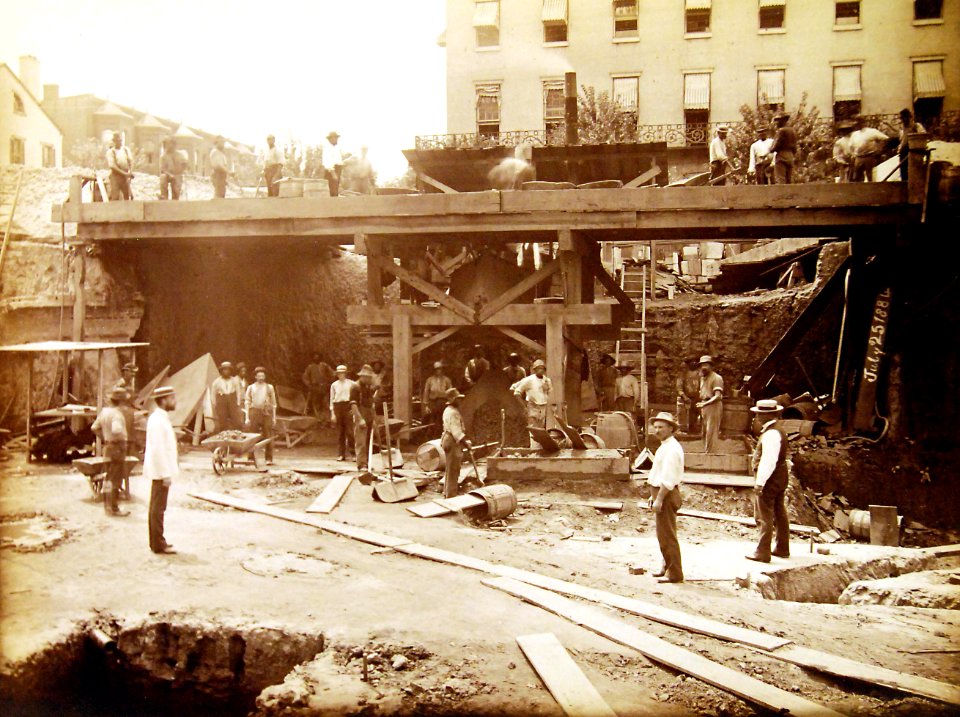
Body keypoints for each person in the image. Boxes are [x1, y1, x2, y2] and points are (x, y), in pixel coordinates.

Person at [746, 399, 791, 563]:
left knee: (764, 514)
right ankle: (782, 547)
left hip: (771, 478)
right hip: (780, 476)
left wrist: (760, 482)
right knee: (779, 512)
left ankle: (763, 551)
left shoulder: (771, 434)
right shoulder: (778, 430)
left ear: (768, 415)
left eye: (760, 414)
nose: (757, 417)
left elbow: (768, 460)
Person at [645, 412, 684, 583]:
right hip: (661, 494)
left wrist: (659, 498)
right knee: (663, 535)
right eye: (656, 427)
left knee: (667, 535)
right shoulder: (665, 446)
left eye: (661, 427)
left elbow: (668, 479)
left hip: (667, 495)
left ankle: (674, 573)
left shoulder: (672, 449)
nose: (657, 430)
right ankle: (666, 566)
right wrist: (653, 496)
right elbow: (658, 474)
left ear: (671, 429)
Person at [144, 386, 178, 554]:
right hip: (159, 471)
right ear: (164, 400)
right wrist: (165, 473)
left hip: (161, 470)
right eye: (172, 398)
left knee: (158, 507)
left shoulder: (161, 418)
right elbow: (158, 449)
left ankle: (159, 541)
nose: (175, 401)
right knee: (157, 508)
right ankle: (157, 544)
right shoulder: (157, 420)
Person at [91, 386, 131, 517]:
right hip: (117, 449)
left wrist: (105, 438)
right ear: (121, 402)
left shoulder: (105, 412)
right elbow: (117, 429)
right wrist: (119, 440)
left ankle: (107, 506)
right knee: (116, 479)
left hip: (107, 448)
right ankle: (114, 508)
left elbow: (94, 427)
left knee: (108, 479)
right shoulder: (117, 414)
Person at [440, 387, 470, 499]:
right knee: (453, 469)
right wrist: (466, 443)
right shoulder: (453, 413)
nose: (460, 401)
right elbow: (456, 432)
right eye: (458, 399)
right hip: (452, 440)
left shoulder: (448, 410)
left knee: (450, 467)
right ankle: (451, 495)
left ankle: (446, 492)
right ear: (453, 400)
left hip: (448, 438)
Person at [245, 367, 277, 465]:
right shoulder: (251, 387)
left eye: (262, 376)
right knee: (252, 435)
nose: (261, 377)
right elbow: (247, 402)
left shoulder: (269, 387)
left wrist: (274, 417)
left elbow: (274, 403)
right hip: (254, 412)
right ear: (255, 377)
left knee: (268, 435)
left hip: (266, 413)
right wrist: (246, 417)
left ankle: (269, 458)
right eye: (259, 376)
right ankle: (251, 458)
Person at [512, 359, 552, 436]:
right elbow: (517, 393)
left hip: (543, 407)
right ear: (534, 370)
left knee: (542, 431)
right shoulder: (529, 380)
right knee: (533, 431)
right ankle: (534, 447)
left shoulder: (547, 381)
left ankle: (540, 447)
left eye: (542, 368)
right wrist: (524, 406)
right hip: (532, 406)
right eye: (538, 368)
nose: (540, 370)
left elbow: (551, 395)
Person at [351, 364, 379, 470]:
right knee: (361, 441)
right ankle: (361, 464)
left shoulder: (367, 387)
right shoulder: (355, 387)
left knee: (368, 440)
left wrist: (373, 418)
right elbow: (353, 404)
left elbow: (371, 403)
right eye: (369, 377)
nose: (370, 379)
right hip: (360, 414)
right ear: (364, 376)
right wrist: (360, 419)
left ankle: (367, 463)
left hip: (369, 415)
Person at [696, 355, 724, 453]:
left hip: (713, 405)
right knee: (704, 432)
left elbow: (718, 396)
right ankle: (706, 452)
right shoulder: (702, 378)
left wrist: (705, 404)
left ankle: (711, 454)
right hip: (704, 405)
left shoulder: (716, 378)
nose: (704, 367)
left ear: (711, 366)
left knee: (711, 431)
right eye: (702, 365)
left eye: (706, 365)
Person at [330, 365, 358, 461]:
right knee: (340, 432)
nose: (340, 375)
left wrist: (354, 409)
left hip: (348, 406)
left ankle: (353, 453)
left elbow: (356, 397)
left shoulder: (352, 384)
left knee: (350, 431)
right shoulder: (334, 385)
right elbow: (332, 400)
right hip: (338, 407)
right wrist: (333, 413)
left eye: (342, 373)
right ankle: (341, 454)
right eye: (339, 373)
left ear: (346, 373)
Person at [211, 362, 243, 432]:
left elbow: (238, 392)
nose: (226, 371)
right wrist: (215, 404)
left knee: (235, 418)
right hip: (222, 400)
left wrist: (238, 403)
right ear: (221, 371)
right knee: (222, 418)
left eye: (228, 370)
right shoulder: (217, 381)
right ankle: (223, 433)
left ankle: (237, 432)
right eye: (224, 370)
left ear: (230, 371)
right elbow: (213, 393)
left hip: (232, 399)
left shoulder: (234, 380)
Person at [421, 361, 453, 430]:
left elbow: (451, 392)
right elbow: (426, 392)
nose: (438, 371)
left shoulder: (446, 380)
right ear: (434, 370)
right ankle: (431, 436)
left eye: (440, 369)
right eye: (437, 369)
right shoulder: (430, 380)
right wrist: (426, 405)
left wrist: (450, 402)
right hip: (433, 403)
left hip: (443, 403)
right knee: (432, 421)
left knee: (443, 421)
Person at [898, 108, 925, 182]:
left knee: (914, 173)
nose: (902, 120)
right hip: (903, 153)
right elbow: (902, 140)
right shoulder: (902, 128)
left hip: (913, 152)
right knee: (903, 174)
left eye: (904, 118)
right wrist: (899, 149)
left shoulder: (916, 126)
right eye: (901, 118)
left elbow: (923, 136)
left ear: (908, 117)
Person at [303, 354, 334, 419]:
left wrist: (329, 383)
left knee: (326, 404)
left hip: (324, 388)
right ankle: (319, 419)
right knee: (316, 404)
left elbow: (332, 374)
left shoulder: (325, 366)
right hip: (315, 388)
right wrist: (309, 384)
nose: (316, 358)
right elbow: (305, 377)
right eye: (315, 357)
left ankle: (328, 419)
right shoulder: (310, 367)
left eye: (318, 357)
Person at [106, 132, 134, 200]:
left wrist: (130, 172)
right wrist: (125, 174)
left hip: (125, 176)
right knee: (115, 196)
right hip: (116, 176)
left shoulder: (126, 150)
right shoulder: (110, 152)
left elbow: (131, 161)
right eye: (117, 141)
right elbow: (112, 166)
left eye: (120, 140)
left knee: (127, 196)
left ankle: (127, 210)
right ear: (114, 141)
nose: (119, 142)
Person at [770, 113, 797, 184]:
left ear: (783, 120)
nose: (776, 123)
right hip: (790, 155)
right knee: (790, 179)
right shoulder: (792, 130)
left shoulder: (781, 131)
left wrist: (771, 149)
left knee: (780, 179)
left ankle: (782, 195)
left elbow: (775, 146)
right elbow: (795, 147)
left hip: (781, 155)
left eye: (778, 120)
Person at [321, 131, 345, 197]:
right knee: (331, 190)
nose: (337, 139)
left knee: (336, 189)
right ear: (331, 139)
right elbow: (327, 162)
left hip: (337, 169)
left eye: (337, 138)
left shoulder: (336, 148)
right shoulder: (327, 148)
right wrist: (333, 173)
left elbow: (339, 161)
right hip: (331, 171)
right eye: (335, 138)